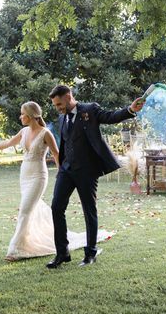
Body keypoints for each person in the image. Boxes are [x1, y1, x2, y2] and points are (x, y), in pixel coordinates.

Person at [0, 101, 109, 261]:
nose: (20, 116)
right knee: (29, 209)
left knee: (24, 210)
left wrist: (61, 173)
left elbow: (56, 154)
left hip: (38, 176)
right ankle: (33, 241)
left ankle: (15, 250)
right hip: (25, 175)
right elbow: (8, 143)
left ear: (30, 116)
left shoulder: (45, 133)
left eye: (23, 114)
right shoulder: (23, 132)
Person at [47, 85, 144, 268]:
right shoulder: (62, 117)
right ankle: (62, 253)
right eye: (55, 105)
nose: (58, 108)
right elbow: (66, 143)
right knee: (56, 207)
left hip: (86, 171)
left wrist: (130, 110)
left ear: (68, 97)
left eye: (59, 103)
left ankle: (90, 253)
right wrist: (62, 166)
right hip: (66, 170)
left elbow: (110, 117)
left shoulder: (90, 110)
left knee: (89, 211)